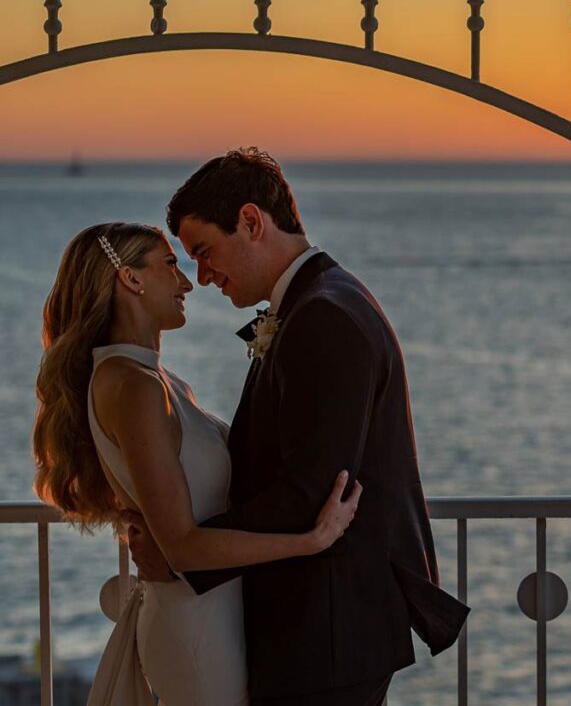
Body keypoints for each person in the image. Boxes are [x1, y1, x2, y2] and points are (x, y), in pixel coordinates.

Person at [128, 148, 469, 706]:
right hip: (321, 626)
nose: (202, 276)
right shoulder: (322, 300)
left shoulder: (324, 316)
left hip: (325, 630)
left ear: (252, 221)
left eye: (204, 252)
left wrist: (182, 553)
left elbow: (312, 492)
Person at [33, 221, 363, 706]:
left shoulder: (159, 382)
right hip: (195, 630)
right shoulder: (134, 388)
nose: (188, 283)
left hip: (212, 615)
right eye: (171, 265)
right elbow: (183, 548)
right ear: (131, 278)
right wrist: (309, 540)